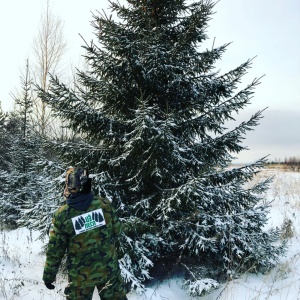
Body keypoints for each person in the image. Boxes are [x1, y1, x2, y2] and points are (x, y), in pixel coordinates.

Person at [43, 166, 127, 300]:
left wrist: (48, 276)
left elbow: (55, 250)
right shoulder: (104, 205)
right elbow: (118, 231)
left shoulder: (62, 215)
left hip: (79, 277)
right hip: (109, 270)